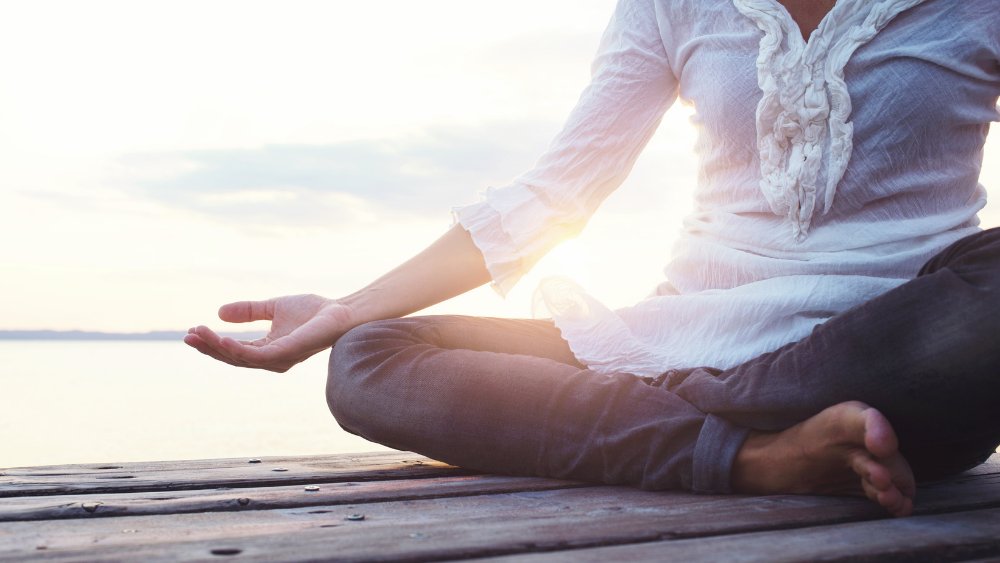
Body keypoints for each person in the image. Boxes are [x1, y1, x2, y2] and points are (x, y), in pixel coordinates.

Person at [185, 0, 1000, 518]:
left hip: (894, 353)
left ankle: (717, 418)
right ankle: (754, 455)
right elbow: (556, 192)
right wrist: (345, 310)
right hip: (691, 340)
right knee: (369, 357)